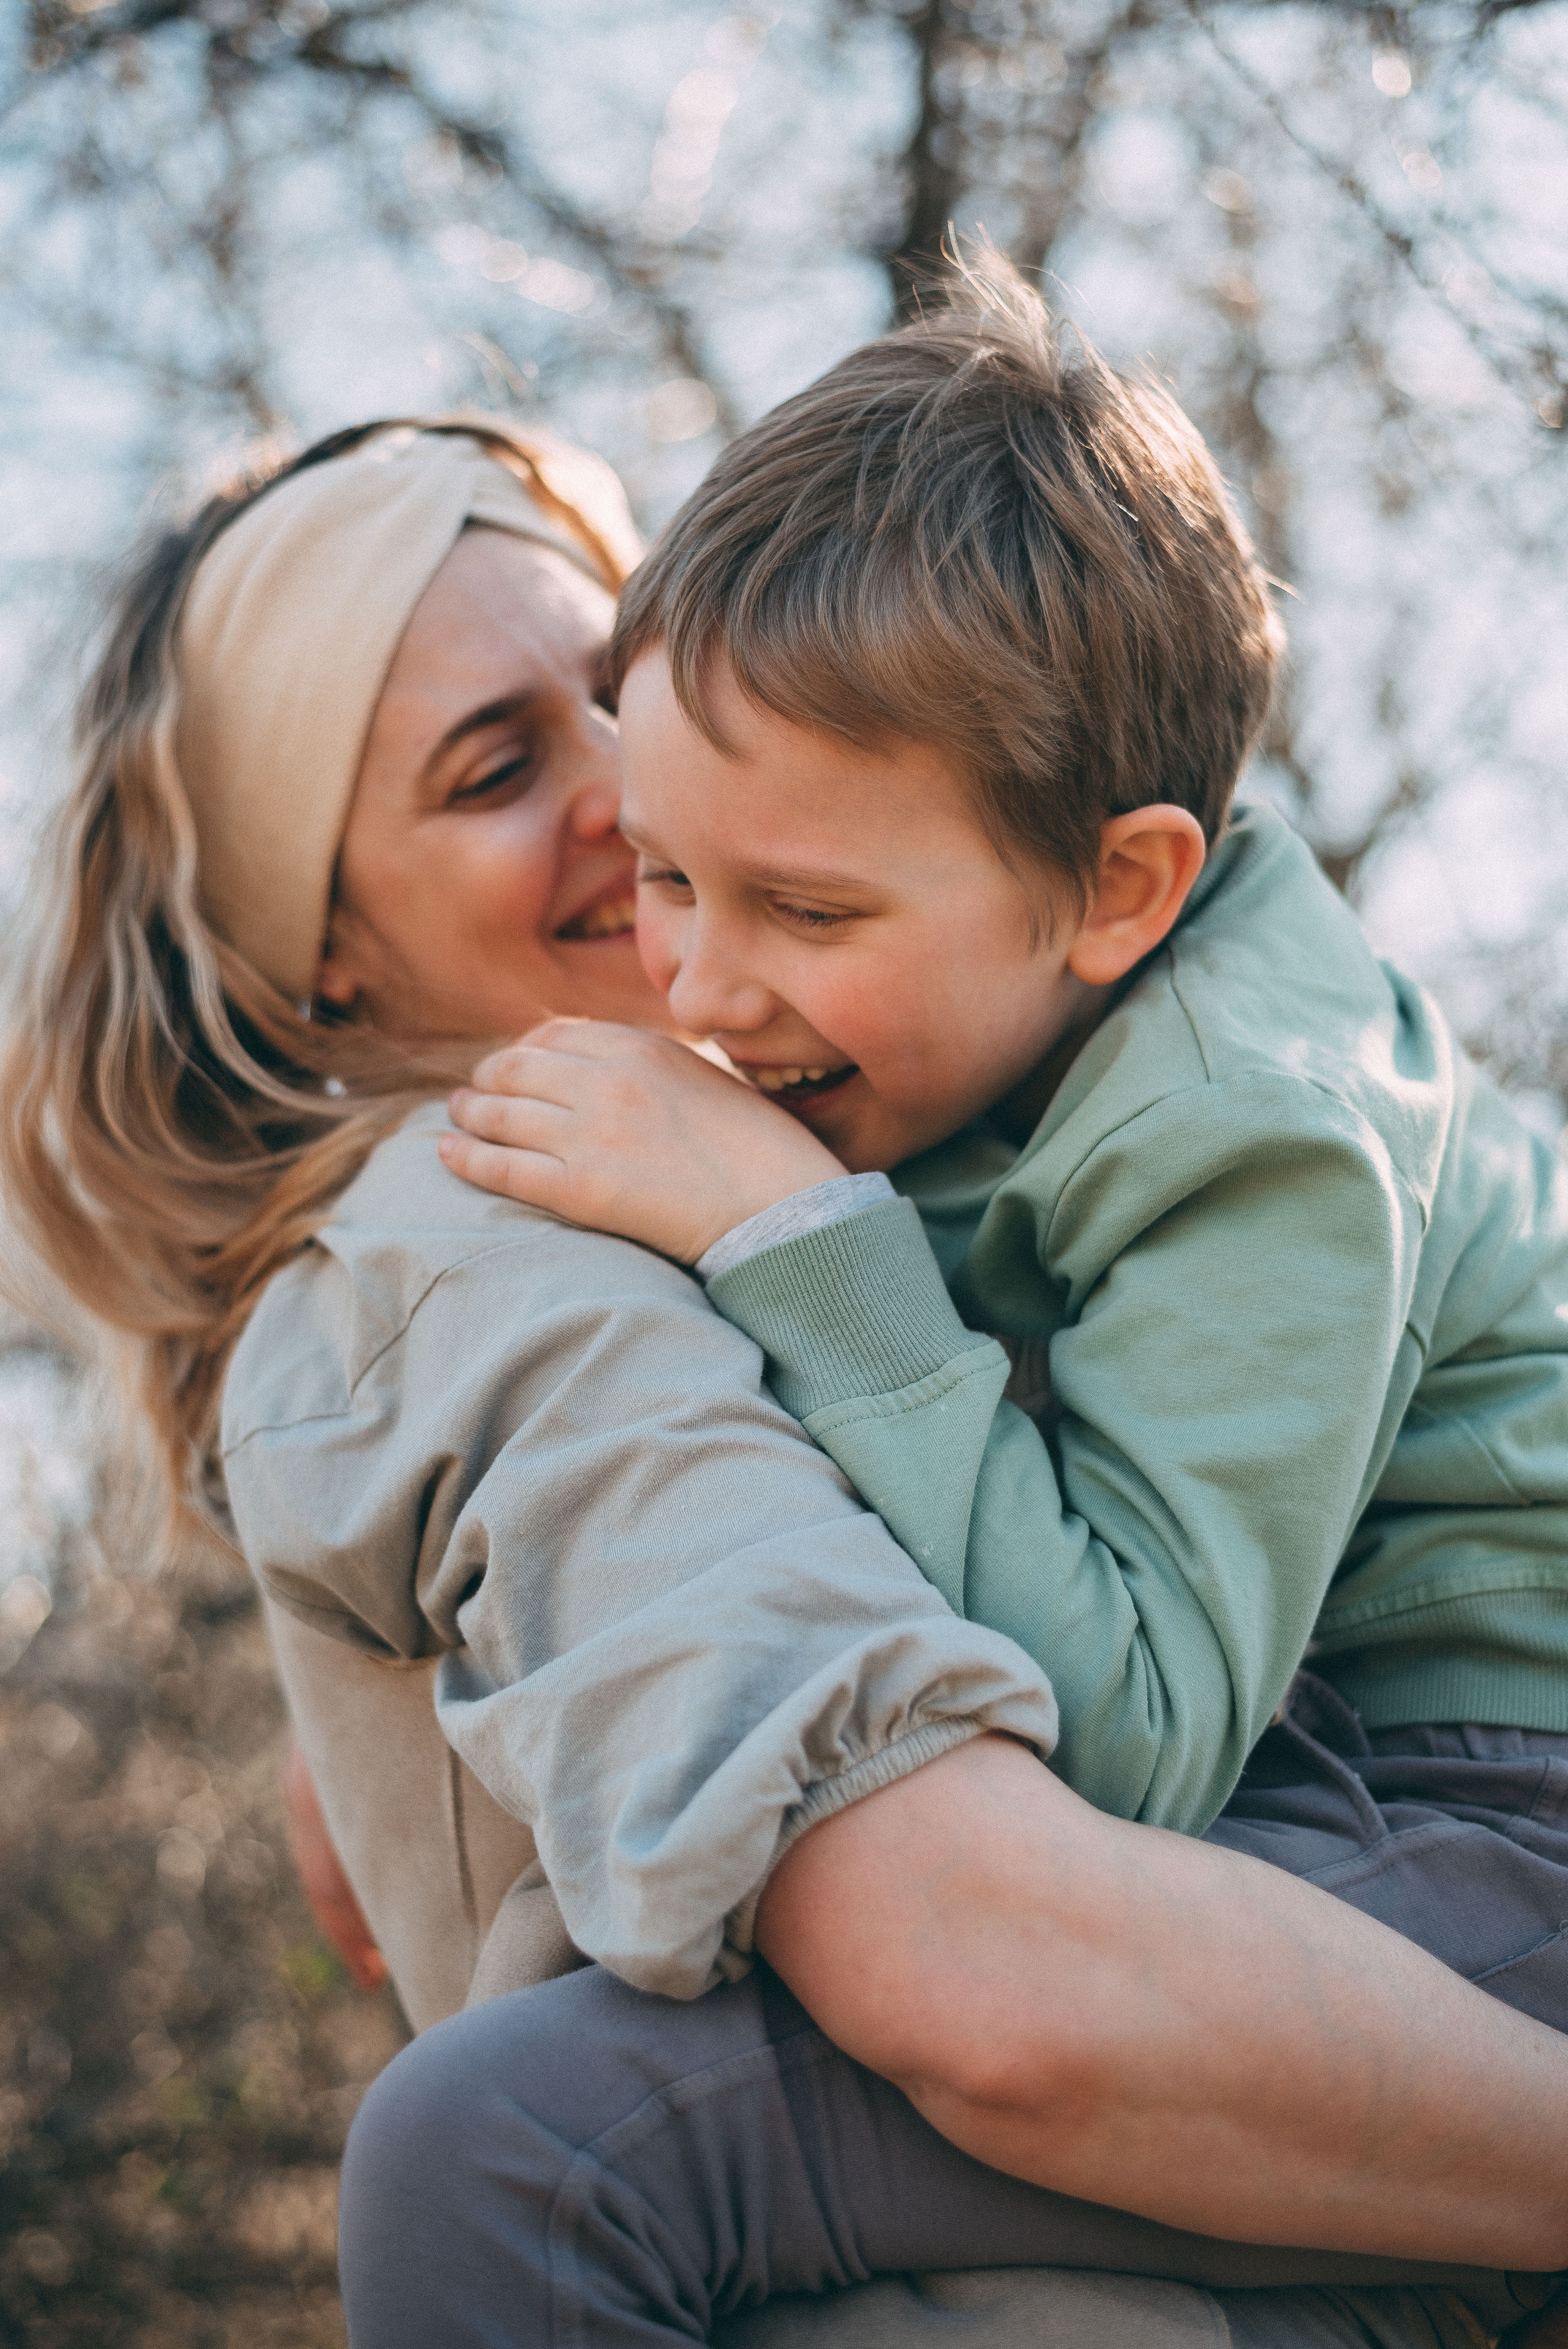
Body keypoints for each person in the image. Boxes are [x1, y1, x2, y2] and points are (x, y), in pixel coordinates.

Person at [1, 409, 1562, 2349]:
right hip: (1355, 1909)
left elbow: (1055, 1880)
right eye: (497, 767)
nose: (622, 793)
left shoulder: (1095, 1105)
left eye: (606, 686)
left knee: (514, 2153)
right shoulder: (490, 1229)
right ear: (311, 946)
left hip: (1458, 1854)